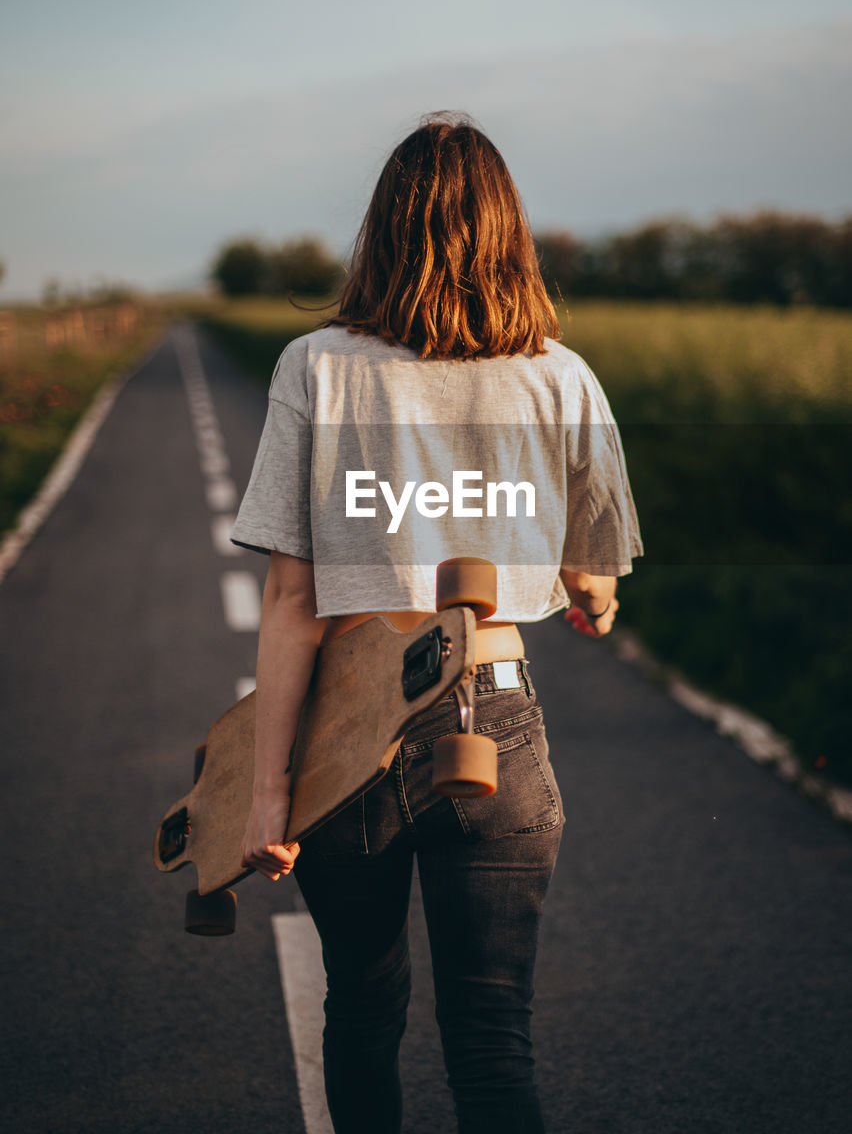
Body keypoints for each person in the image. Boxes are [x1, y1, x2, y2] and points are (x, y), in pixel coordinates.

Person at [230, 113, 643, 1134]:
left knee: (364, 1016)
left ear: (383, 227)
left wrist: (266, 788)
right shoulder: (563, 378)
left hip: (347, 740)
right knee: (494, 1037)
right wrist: (593, 598)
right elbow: (593, 574)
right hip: (493, 721)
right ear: (510, 231)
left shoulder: (315, 369)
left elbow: (291, 601)